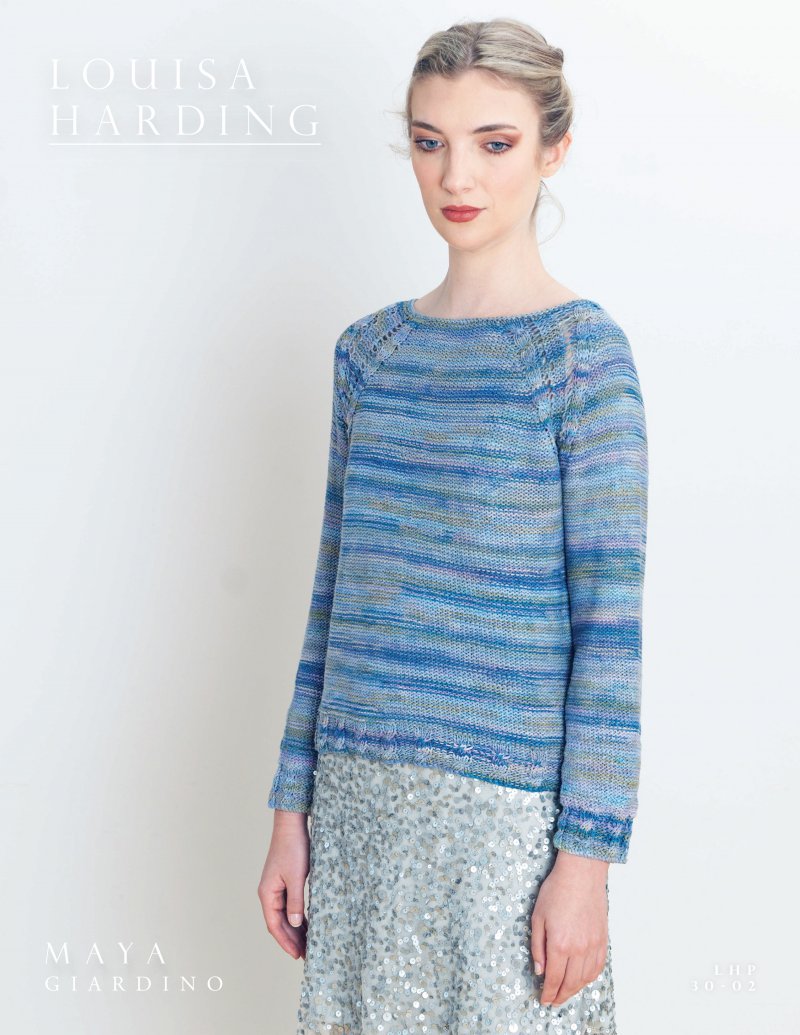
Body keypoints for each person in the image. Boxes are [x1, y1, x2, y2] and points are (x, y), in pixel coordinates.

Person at [258, 17, 648, 1035]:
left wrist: (587, 859)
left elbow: (609, 630)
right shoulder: (368, 354)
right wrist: (291, 808)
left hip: (506, 832)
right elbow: (333, 592)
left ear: (553, 150)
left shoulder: (581, 360)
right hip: (357, 812)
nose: (455, 175)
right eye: (430, 142)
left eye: (493, 142)